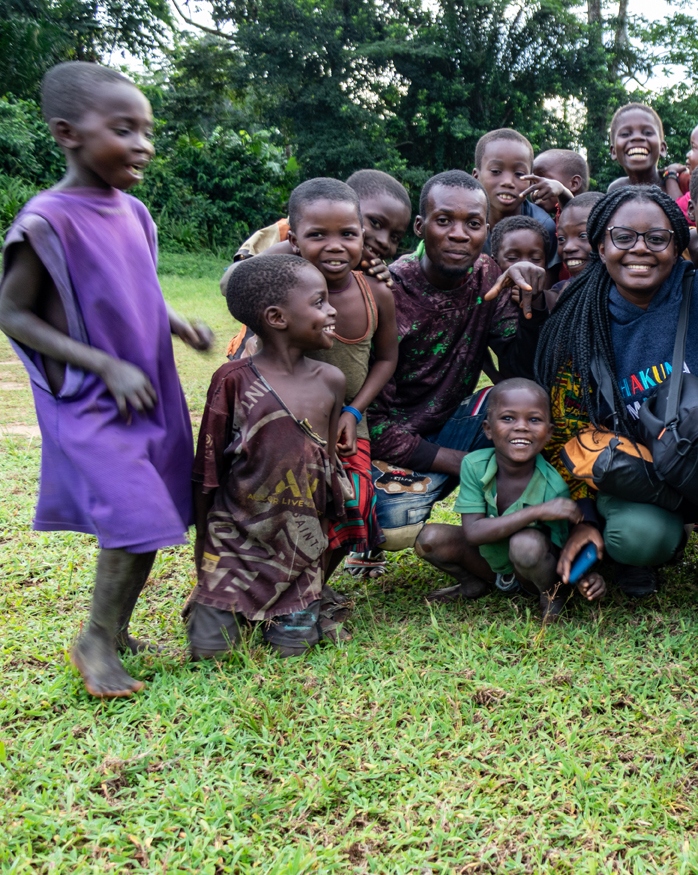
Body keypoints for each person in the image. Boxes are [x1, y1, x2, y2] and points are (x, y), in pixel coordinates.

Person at [0, 62, 213, 697]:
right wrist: (101, 364)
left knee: (154, 513)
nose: (143, 145)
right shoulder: (48, 220)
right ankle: (94, 640)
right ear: (67, 132)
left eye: (147, 131)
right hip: (92, 396)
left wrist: (177, 322)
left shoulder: (136, 214)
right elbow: (11, 311)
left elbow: (136, 290)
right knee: (134, 512)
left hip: (147, 389)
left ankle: (115, 631)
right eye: (124, 130)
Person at [534, 186, 698, 601]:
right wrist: (586, 518)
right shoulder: (578, 321)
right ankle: (655, 544)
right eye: (623, 237)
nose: (640, 249)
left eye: (656, 238)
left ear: (677, 245)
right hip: (639, 472)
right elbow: (566, 430)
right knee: (640, 537)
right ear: (601, 246)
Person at [365, 170, 548, 601]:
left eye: (473, 223)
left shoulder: (488, 275)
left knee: (521, 406)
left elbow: (520, 367)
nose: (459, 234)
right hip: (397, 445)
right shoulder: (388, 290)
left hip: (455, 422)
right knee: (390, 524)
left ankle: (523, 556)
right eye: (444, 220)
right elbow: (372, 423)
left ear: (486, 229)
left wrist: (531, 300)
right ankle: (475, 557)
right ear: (420, 226)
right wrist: (470, 464)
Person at [189, 255, 349, 658]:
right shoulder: (232, 380)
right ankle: (214, 602)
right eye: (319, 302)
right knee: (210, 653)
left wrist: (317, 559)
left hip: (296, 556)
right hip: (233, 550)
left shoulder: (331, 381)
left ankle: (301, 603)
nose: (332, 310)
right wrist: (204, 556)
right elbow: (208, 471)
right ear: (277, 318)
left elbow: (327, 471)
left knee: (292, 650)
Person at [281, 178, 399, 581]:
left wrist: (353, 411)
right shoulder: (281, 288)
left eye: (348, 235)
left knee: (354, 503)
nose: (335, 246)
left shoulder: (376, 293)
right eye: (317, 235)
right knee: (291, 505)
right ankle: (283, 587)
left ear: (362, 237)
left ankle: (313, 589)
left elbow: (386, 359)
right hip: (289, 421)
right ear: (294, 241)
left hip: (348, 422)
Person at [448, 378, 605, 621]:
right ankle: (473, 583)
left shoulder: (553, 487)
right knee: (431, 539)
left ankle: (552, 596)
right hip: (491, 563)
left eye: (534, 420)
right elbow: (473, 532)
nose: (521, 427)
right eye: (508, 418)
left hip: (529, 571)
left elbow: (562, 549)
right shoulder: (474, 465)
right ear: (488, 429)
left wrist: (584, 577)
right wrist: (536, 512)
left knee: (525, 545)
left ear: (549, 433)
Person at [221, 168, 410, 355]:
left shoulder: (367, 268)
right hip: (256, 352)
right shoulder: (286, 231)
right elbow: (227, 284)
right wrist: (290, 249)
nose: (384, 241)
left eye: (395, 237)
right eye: (375, 223)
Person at [472, 128, 561, 284]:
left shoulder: (544, 226)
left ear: (531, 181)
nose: (508, 182)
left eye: (519, 174)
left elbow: (548, 287)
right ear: (476, 177)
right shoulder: (465, 223)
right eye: (496, 171)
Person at [609, 103, 668, 189]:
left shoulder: (678, 182)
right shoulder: (616, 189)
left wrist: (671, 177)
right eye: (625, 134)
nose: (637, 137)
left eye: (648, 133)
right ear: (613, 151)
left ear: (662, 148)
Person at [529, 149, 590, 215]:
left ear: (574, 184)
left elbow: (572, 210)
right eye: (533, 182)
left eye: (544, 180)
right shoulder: (545, 220)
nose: (534, 187)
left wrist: (563, 192)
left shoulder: (586, 218)